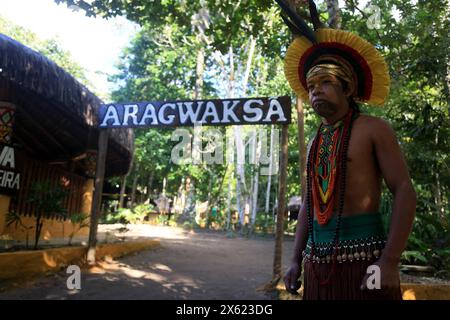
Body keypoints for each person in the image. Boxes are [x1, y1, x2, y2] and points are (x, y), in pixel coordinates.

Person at [276, 0, 417, 300]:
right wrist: (294, 260)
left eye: (326, 82)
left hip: (368, 261)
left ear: (348, 87)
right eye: (311, 86)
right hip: (317, 263)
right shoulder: (316, 141)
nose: (315, 91)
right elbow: (308, 205)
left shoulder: (374, 129)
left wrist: (389, 262)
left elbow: (404, 189)